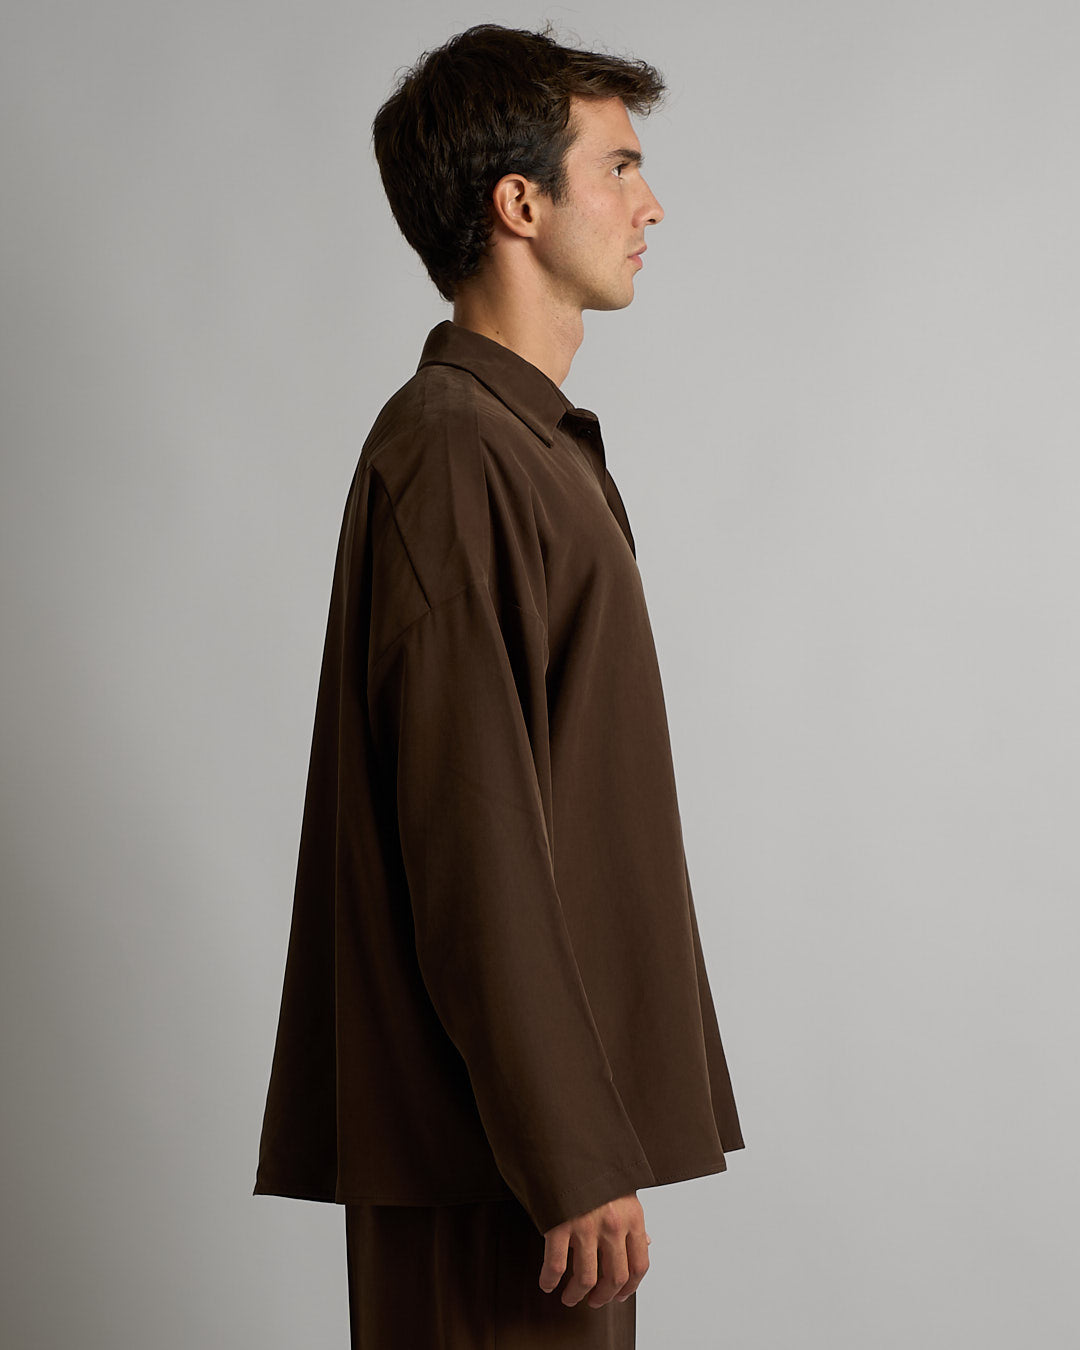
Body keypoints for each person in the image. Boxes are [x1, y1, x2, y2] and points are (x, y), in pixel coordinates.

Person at [253, 22, 745, 1348]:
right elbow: (470, 832)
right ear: (520, 203)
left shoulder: (525, 445)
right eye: (619, 166)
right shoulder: (460, 448)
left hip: (524, 1151)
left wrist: (575, 1140)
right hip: (498, 1163)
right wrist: (568, 1149)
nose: (651, 204)